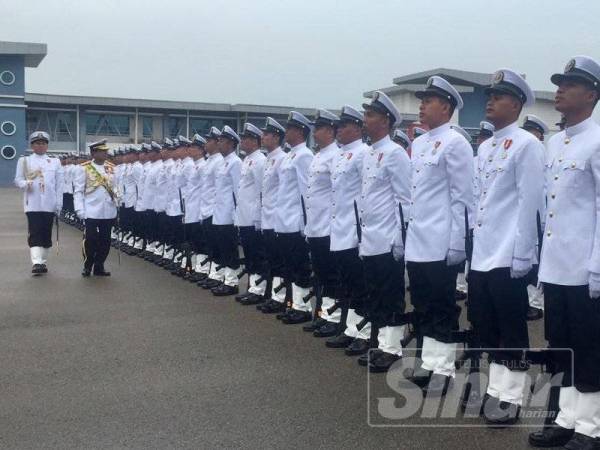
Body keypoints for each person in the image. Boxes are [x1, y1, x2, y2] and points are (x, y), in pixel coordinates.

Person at [529, 56, 600, 450]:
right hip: (557, 265)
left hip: (585, 267)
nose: (559, 90)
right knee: (561, 347)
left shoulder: (597, 141)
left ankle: (590, 427)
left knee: (589, 348)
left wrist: (598, 268)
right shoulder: (555, 143)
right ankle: (565, 419)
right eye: (559, 83)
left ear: (591, 95)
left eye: (570, 84)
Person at [470, 69, 544, 425]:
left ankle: (512, 396)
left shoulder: (528, 145)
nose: (490, 101)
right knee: (487, 324)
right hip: (483, 252)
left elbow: (531, 203)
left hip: (508, 252)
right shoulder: (486, 147)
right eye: (490, 96)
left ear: (515, 104)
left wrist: (523, 254)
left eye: (498, 97)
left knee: (511, 326)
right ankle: (495, 388)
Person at [405, 76, 473, 395]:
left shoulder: (456, 143)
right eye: (422, 100)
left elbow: (462, 198)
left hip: (440, 240)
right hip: (418, 239)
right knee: (422, 305)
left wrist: (458, 243)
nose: (422, 106)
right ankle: (427, 362)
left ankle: (443, 369)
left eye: (428, 101)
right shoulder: (420, 143)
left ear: (445, 107)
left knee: (442, 306)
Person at [358, 91, 411, 373]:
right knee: (375, 292)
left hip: (388, 237)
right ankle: (379, 342)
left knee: (390, 294)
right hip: (370, 237)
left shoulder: (395, 153)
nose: (365, 119)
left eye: (370, 115)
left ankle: (392, 347)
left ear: (385, 120)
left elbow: (404, 199)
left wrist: (400, 239)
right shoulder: (369, 154)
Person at [324, 105, 370, 355]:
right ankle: (349, 327)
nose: (338, 130)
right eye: (337, 126)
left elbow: (365, 194)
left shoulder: (363, 153)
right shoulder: (339, 155)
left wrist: (361, 229)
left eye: (343, 126)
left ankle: (363, 332)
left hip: (354, 228)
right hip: (339, 226)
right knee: (346, 283)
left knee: (359, 283)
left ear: (357, 128)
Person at [303, 109, 341, 337]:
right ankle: (322, 313)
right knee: (320, 273)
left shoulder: (335, 155)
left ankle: (333, 317)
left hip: (328, 225)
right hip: (315, 224)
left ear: (329, 131)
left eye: (318, 129)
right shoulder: (317, 155)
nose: (314, 133)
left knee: (331, 274)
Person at [274, 111, 314, 324]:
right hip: (284, 219)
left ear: (300, 131)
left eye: (289, 128)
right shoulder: (290, 155)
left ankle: (302, 307)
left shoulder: (304, 155)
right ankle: (291, 302)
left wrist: (304, 222)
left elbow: (306, 191)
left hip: (294, 220)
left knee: (299, 265)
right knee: (288, 264)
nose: (286, 132)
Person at [14, 131, 63, 275]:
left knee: (46, 233)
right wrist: (25, 183)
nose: (40, 146)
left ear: (47, 146)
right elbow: (17, 179)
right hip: (32, 203)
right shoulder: (24, 161)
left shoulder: (55, 162)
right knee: (35, 232)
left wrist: (59, 204)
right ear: (32, 146)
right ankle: (36, 262)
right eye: (37, 143)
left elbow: (59, 185)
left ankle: (43, 261)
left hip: (49, 203)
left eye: (43, 143)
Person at [256, 117, 288, 314]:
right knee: (271, 259)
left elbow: (284, 193)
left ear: (276, 137)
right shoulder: (268, 159)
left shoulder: (282, 158)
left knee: (279, 259)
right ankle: (272, 294)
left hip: (277, 218)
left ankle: (280, 296)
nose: (263, 137)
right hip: (266, 217)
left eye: (266, 134)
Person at [74, 139, 118, 277]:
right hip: (91, 210)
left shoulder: (111, 168)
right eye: (101, 151)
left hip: (108, 210)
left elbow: (116, 186)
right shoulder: (84, 168)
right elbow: (78, 191)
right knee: (90, 240)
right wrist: (79, 209)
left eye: (106, 151)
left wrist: (118, 197)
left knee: (105, 240)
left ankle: (99, 266)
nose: (105, 154)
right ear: (93, 153)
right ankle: (88, 265)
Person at [521, 114, 550, 321]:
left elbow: (542, 188)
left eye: (531, 131)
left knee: (535, 263)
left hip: (540, 215)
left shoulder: (538, 149)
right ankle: (529, 302)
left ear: (539, 134)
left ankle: (535, 304)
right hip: (529, 214)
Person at [234, 122, 267, 304]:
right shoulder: (247, 160)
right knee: (249, 254)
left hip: (254, 216)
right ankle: (252, 287)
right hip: (244, 215)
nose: (242, 141)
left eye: (246, 138)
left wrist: (259, 218)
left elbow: (262, 191)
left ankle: (259, 289)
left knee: (257, 254)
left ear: (255, 141)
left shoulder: (260, 161)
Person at [211, 126, 242, 296]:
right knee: (222, 247)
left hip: (229, 214)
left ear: (231, 143)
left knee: (229, 249)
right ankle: (223, 278)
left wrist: (236, 215)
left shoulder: (235, 162)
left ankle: (232, 282)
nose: (219, 143)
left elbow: (238, 191)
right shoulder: (223, 162)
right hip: (219, 212)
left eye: (222, 141)